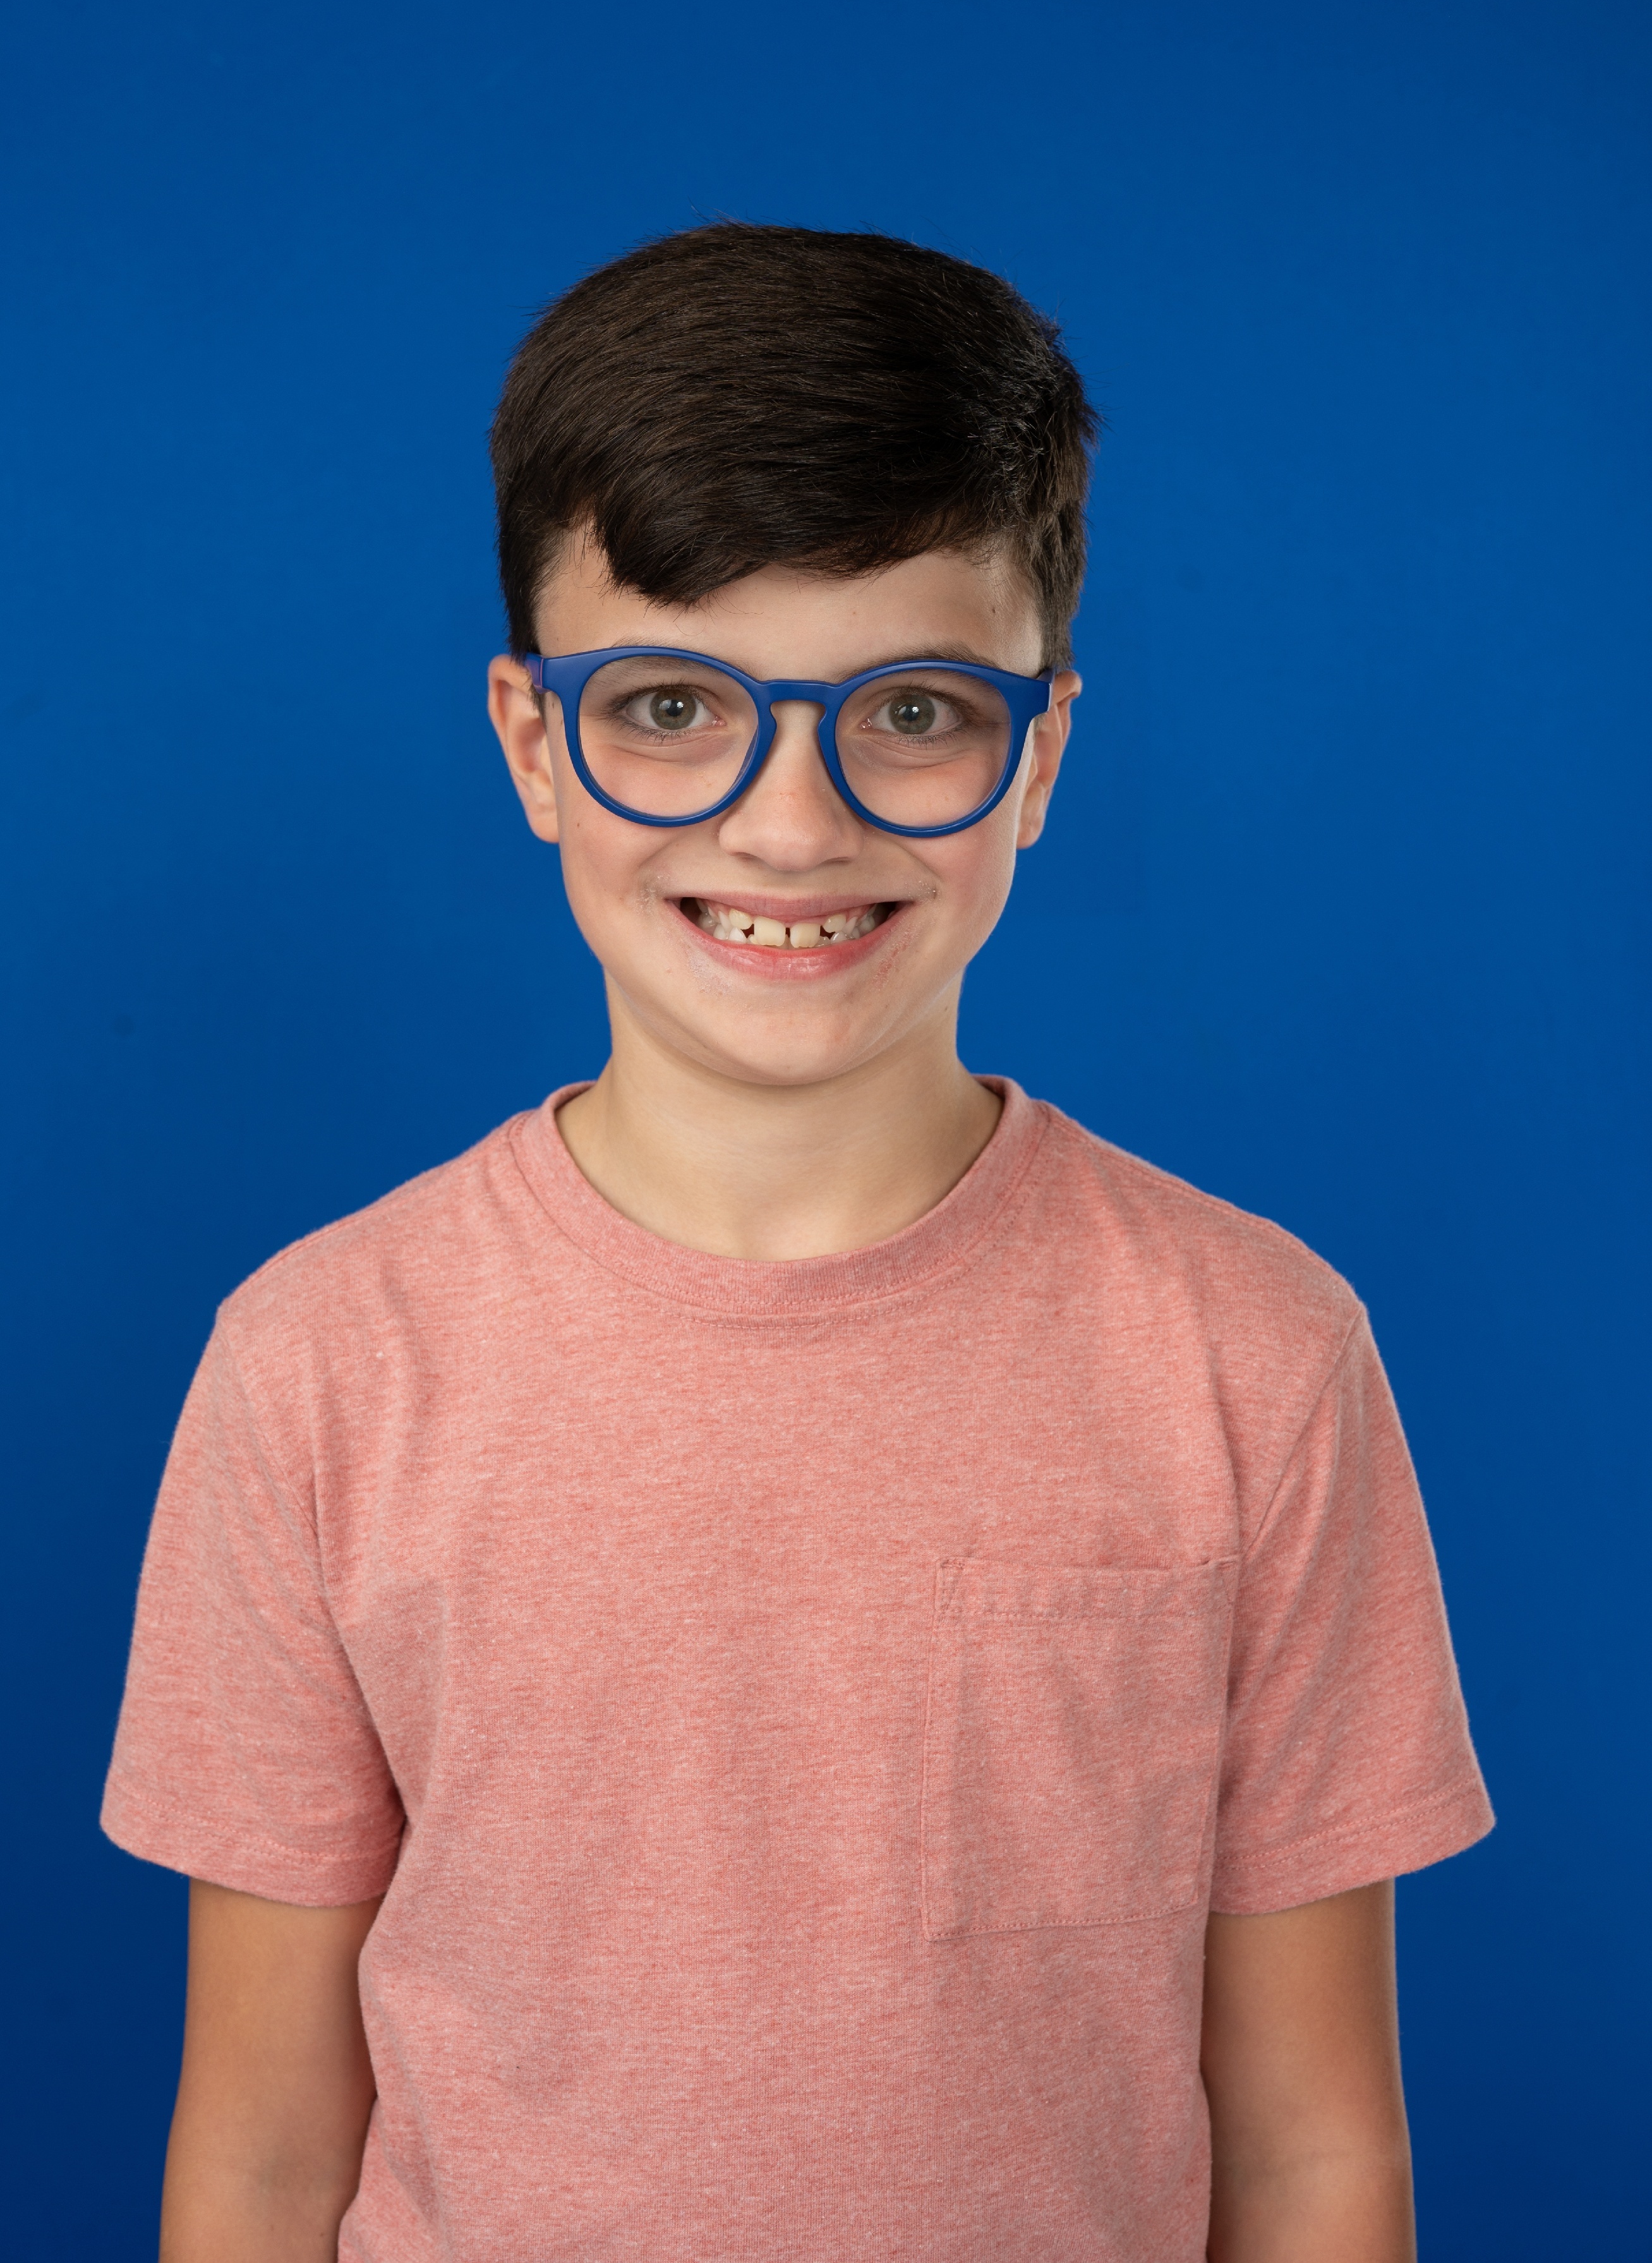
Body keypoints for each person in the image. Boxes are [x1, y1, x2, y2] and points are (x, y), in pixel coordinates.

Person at [102, 222, 1492, 2263]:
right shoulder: (320, 1363)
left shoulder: (1255, 1352)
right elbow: (258, 2155)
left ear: (1042, 752)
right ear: (530, 742)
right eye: (671, 701)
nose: (789, 822)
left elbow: (1311, 2151)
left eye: (912, 707)